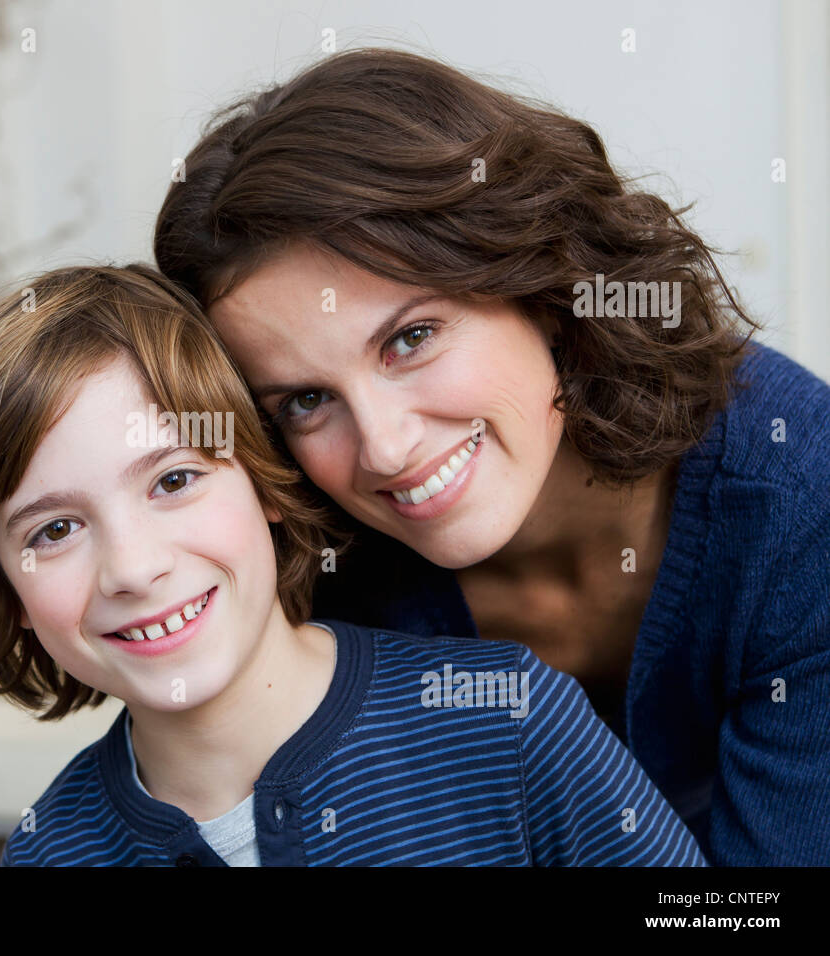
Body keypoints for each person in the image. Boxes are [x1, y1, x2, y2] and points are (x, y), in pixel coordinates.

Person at [153, 47, 830, 865]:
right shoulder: (316, 556)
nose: (386, 447)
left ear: (545, 287)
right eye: (305, 400)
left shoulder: (800, 497)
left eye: (410, 339)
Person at [0, 263, 706, 866]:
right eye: (53, 531)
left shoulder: (511, 719)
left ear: (264, 482)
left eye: (175, 480)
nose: (132, 566)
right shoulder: (51, 847)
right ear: (9, 591)